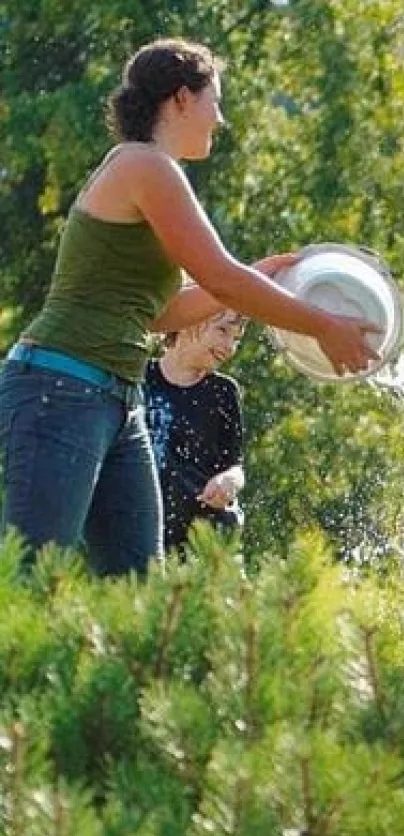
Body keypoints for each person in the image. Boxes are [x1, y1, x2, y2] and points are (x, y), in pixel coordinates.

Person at [0, 38, 376, 576]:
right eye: (213, 101)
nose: (219, 118)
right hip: (60, 388)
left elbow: (158, 313)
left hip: (115, 397)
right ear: (180, 98)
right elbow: (221, 278)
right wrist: (324, 326)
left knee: (140, 588)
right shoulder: (143, 165)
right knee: (30, 580)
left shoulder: (156, 173)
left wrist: (258, 276)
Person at [146, 311, 248, 553]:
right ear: (187, 320)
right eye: (222, 331)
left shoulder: (222, 393)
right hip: (138, 531)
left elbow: (235, 466)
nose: (229, 346)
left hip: (201, 540)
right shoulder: (137, 378)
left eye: (237, 338)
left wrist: (230, 481)